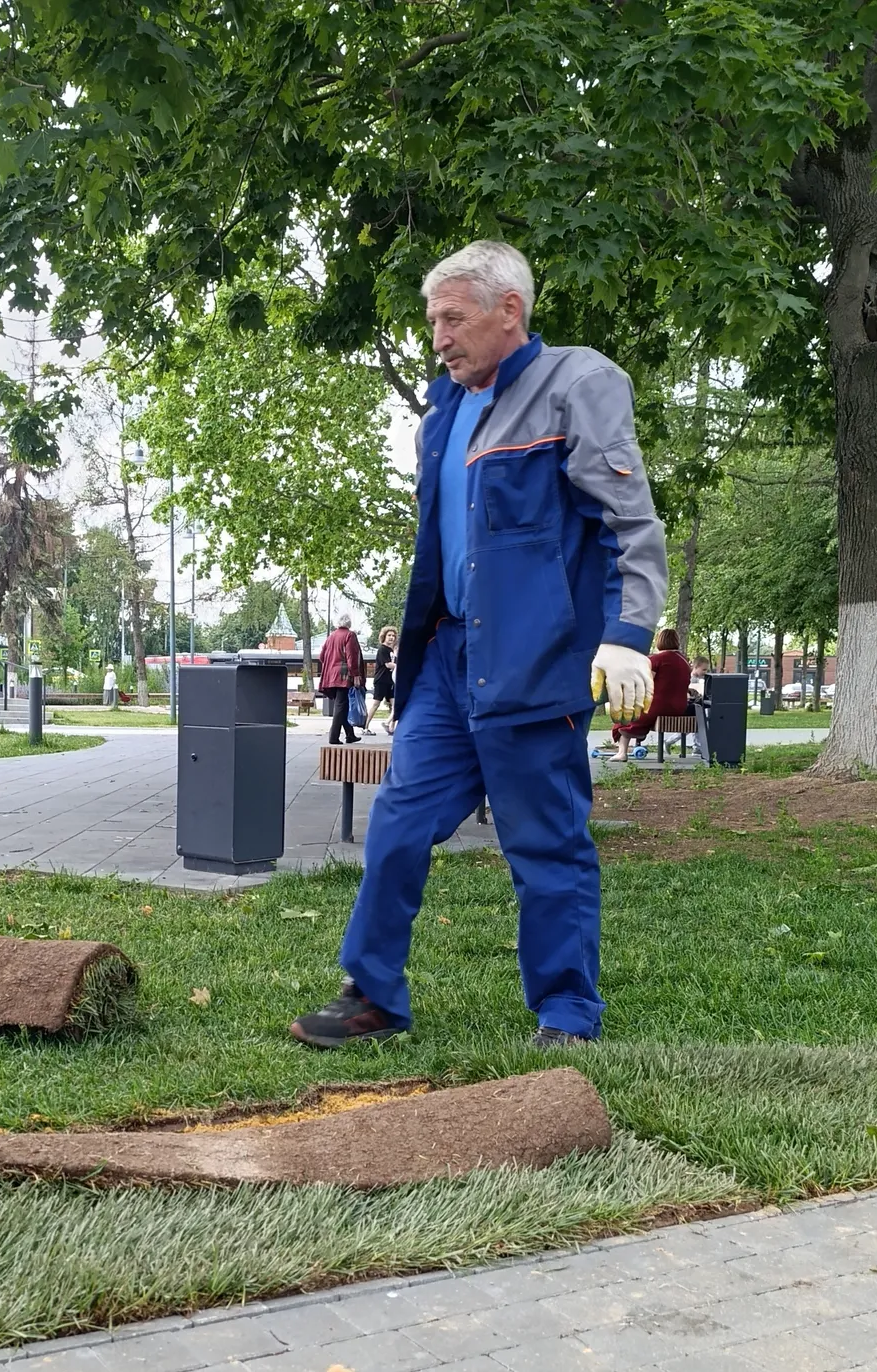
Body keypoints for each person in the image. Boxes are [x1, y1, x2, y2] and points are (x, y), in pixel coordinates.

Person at [289, 240, 665, 1052]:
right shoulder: (442, 414)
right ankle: (374, 994)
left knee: (545, 845)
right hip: (448, 666)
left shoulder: (580, 383)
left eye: (453, 319)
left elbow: (630, 524)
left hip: (537, 664)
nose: (439, 337)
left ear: (510, 312)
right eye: (433, 322)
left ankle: (566, 1014)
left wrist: (628, 635)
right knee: (396, 823)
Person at [602, 628, 690, 761]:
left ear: (659, 641)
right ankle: (635, 740)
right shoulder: (684, 661)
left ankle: (622, 753)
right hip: (679, 707)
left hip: (658, 705)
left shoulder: (656, 659)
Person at [318, 613, 365, 745]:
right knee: (340, 705)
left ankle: (350, 735)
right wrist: (356, 674)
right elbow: (352, 656)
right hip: (344, 675)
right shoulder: (350, 635)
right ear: (349, 624)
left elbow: (321, 657)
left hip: (330, 675)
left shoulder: (331, 636)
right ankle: (333, 737)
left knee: (342, 704)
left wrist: (331, 665)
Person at [362, 627, 398, 736]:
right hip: (381, 680)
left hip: (390, 681)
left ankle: (390, 727)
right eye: (389, 635)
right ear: (384, 637)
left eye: (393, 636)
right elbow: (388, 665)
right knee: (376, 704)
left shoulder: (391, 651)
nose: (391, 638)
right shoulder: (382, 649)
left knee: (395, 704)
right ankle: (365, 727)